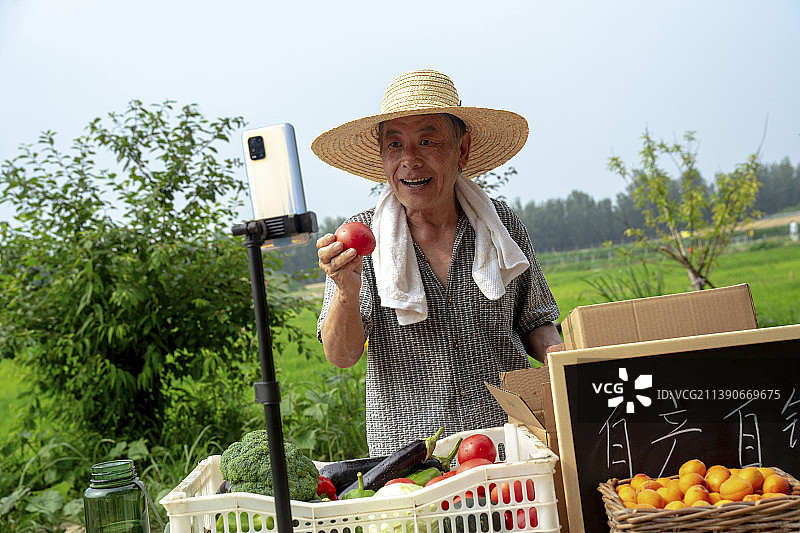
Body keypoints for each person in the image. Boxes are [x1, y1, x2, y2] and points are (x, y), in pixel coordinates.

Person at [312, 69, 564, 456]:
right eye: (395, 144)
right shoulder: (363, 241)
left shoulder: (501, 225)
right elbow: (341, 355)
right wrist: (346, 290)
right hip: (412, 461)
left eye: (427, 141)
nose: (409, 160)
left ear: (461, 150)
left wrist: (570, 370)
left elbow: (536, 322)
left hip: (508, 442)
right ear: (383, 156)